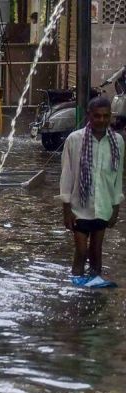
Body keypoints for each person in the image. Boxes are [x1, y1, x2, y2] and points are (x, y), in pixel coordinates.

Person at [59, 96, 124, 282]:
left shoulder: (117, 141)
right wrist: (66, 209)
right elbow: (67, 174)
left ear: (110, 116)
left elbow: (117, 176)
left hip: (103, 205)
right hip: (79, 206)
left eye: (106, 116)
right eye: (97, 116)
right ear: (89, 116)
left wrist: (116, 207)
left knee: (96, 250)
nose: (101, 120)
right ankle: (76, 288)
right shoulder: (74, 140)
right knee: (80, 251)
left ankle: (95, 289)